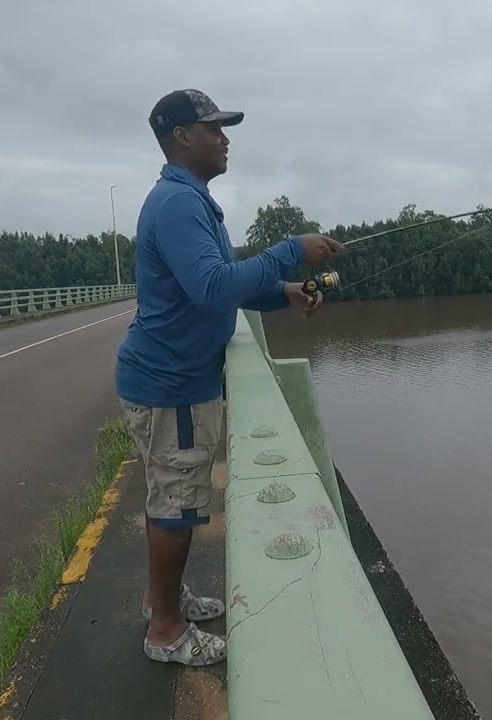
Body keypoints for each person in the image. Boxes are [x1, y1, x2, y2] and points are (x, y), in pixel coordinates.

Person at [114, 89, 343, 666]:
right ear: (182, 136)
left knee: (171, 499)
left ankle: (162, 597)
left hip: (172, 381)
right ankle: (165, 630)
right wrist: (292, 250)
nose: (225, 138)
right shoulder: (177, 204)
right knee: (176, 506)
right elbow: (213, 287)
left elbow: (222, 284)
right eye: (214, 127)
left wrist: (282, 291)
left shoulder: (191, 201)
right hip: (171, 386)